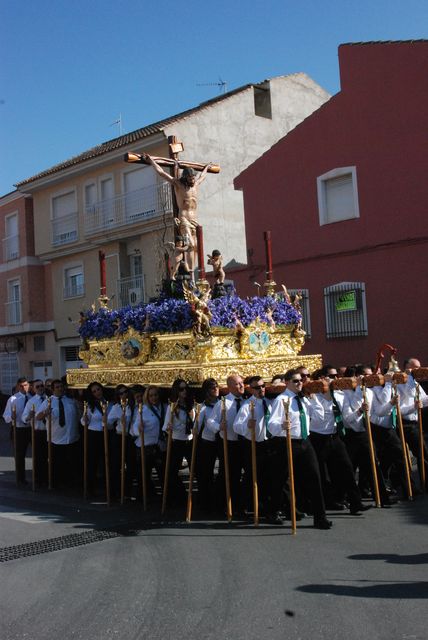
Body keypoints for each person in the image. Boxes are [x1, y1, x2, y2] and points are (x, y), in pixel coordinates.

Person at [268, 368, 332, 529]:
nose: (299, 383)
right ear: (288, 383)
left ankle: (320, 517)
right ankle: (273, 511)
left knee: (315, 477)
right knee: (280, 479)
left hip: (304, 441)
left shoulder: (303, 399)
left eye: (301, 381)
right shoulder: (281, 399)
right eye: (296, 381)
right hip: (287, 442)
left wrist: (314, 398)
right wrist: (282, 425)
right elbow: (271, 424)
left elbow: (319, 416)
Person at [308, 365, 371, 514]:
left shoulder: (340, 395)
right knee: (321, 474)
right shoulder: (313, 396)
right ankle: (326, 503)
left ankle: (356, 503)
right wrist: (327, 398)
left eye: (336, 376)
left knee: (346, 468)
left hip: (335, 436)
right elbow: (318, 419)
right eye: (331, 375)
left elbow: (347, 417)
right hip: (318, 437)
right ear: (322, 378)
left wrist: (359, 411)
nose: (335, 378)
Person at [142, 152, 212, 277]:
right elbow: (162, 173)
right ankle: (189, 273)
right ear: (185, 177)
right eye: (191, 178)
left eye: (193, 177)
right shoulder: (178, 184)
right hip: (184, 219)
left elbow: (203, 176)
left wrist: (206, 167)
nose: (193, 179)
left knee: (195, 246)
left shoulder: (195, 185)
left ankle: (192, 272)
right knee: (189, 244)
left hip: (195, 219)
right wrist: (152, 161)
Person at [233, 376, 272, 519]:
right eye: (257, 387)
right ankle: (243, 507)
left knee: (268, 478)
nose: (261, 389)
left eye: (262, 386)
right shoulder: (247, 406)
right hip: (253, 445)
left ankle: (267, 508)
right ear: (251, 389)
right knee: (251, 477)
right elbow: (237, 426)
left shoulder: (269, 402)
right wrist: (247, 425)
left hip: (268, 444)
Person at [206, 374, 246, 515]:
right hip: (229, 444)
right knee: (229, 475)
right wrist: (219, 427)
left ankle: (242, 504)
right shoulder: (222, 403)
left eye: (242, 383)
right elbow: (210, 422)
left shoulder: (247, 402)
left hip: (245, 443)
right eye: (237, 384)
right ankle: (222, 505)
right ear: (229, 387)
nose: (241, 386)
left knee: (246, 475)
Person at [36, 379, 80, 489]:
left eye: (61, 387)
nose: (60, 389)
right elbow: (38, 417)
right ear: (52, 389)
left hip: (71, 437)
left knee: (71, 462)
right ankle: (56, 482)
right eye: (57, 387)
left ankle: (70, 482)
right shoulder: (48, 402)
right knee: (57, 463)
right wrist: (45, 412)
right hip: (56, 439)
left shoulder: (70, 401)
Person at [162, 379, 195, 506]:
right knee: (172, 471)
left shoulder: (191, 405)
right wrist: (169, 427)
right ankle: (181, 495)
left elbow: (195, 423)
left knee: (195, 470)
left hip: (190, 441)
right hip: (177, 441)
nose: (184, 391)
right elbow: (165, 426)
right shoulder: (172, 407)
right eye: (181, 389)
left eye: (186, 388)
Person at [130, 385, 165, 502]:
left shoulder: (164, 408)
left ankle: (165, 498)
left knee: (163, 473)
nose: (153, 398)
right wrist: (138, 429)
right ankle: (143, 499)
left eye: (155, 395)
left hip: (159, 445)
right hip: (144, 447)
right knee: (143, 476)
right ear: (147, 397)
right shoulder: (143, 410)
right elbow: (133, 428)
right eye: (151, 395)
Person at [81, 381, 112, 496]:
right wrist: (84, 419)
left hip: (107, 434)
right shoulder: (90, 405)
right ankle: (90, 488)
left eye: (98, 389)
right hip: (93, 435)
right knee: (92, 462)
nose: (97, 392)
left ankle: (107, 487)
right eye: (94, 391)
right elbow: (83, 421)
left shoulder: (110, 403)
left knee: (106, 461)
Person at [195, 378, 220, 512]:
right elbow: (197, 428)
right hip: (207, 442)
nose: (215, 389)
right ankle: (205, 501)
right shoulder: (202, 407)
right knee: (206, 473)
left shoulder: (222, 403)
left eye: (216, 386)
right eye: (212, 387)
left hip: (221, 441)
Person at [2, 377, 33, 485]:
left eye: (26, 385)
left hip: (31, 429)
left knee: (37, 453)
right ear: (18, 386)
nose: (24, 387)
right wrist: (12, 416)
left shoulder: (32, 398)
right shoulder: (13, 399)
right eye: (22, 385)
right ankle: (21, 478)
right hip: (18, 430)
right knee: (20, 455)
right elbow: (5, 416)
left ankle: (38, 476)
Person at [107, 385, 136, 499]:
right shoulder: (116, 407)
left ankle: (127, 490)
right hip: (119, 437)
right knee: (116, 465)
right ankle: (115, 491)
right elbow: (107, 422)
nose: (124, 395)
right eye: (121, 393)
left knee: (131, 465)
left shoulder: (132, 406)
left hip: (130, 438)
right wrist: (119, 420)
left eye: (125, 392)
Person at [22, 379, 48, 486]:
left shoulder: (49, 399)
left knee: (49, 455)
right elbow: (24, 417)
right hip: (37, 432)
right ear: (33, 388)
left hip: (49, 432)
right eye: (37, 386)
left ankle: (48, 477)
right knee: (38, 456)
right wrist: (29, 416)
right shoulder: (31, 402)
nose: (40, 388)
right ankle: (38, 479)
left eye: (42, 385)